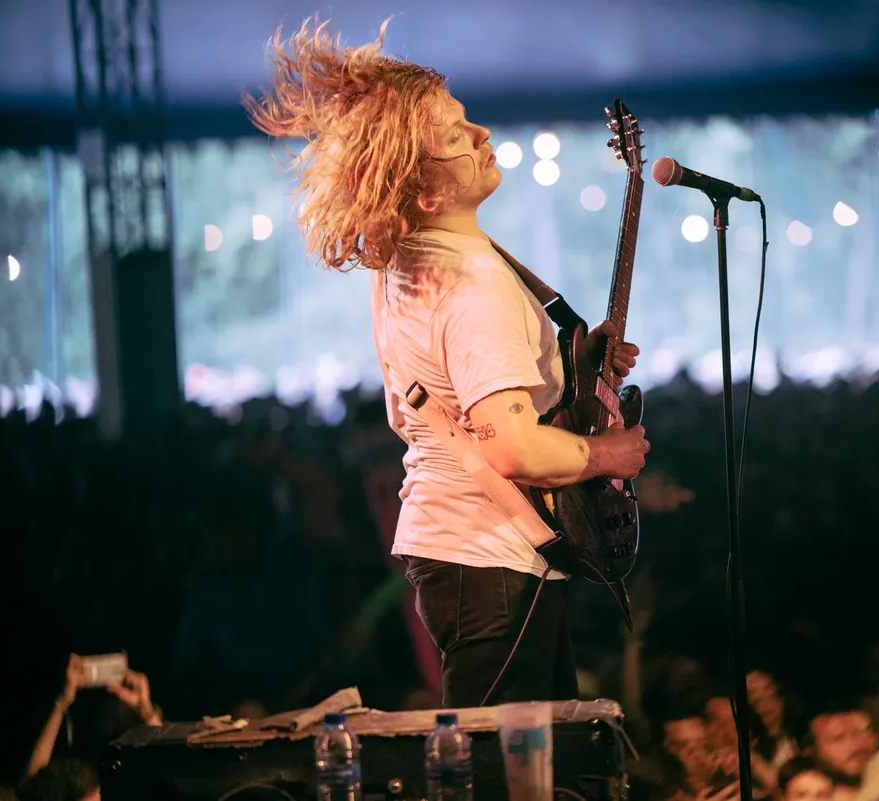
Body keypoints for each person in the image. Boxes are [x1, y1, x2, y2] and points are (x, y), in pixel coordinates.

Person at [245, 18, 649, 707]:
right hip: (492, 556)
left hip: (467, 554)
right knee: (504, 759)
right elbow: (514, 448)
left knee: (542, 752)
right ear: (426, 191)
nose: (482, 133)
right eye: (458, 134)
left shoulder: (406, 262)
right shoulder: (471, 284)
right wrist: (612, 453)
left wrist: (567, 364)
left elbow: (423, 403)